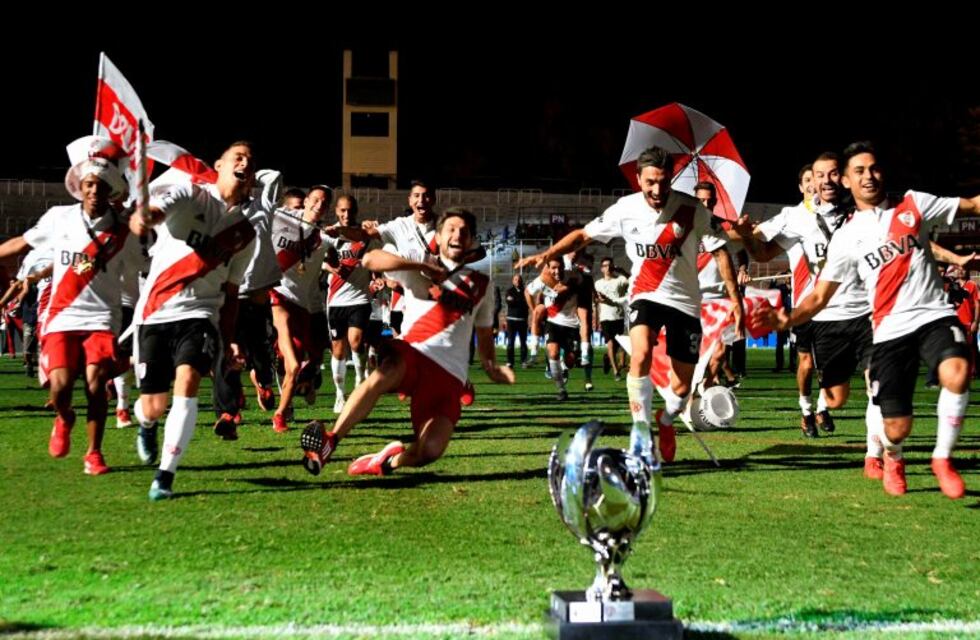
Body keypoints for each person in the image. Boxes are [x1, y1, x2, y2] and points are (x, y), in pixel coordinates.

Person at [762, 141, 978, 499]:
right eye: (859, 171)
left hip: (933, 315)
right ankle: (891, 454)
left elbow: (971, 203)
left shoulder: (913, 204)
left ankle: (942, 458)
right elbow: (818, 296)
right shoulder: (846, 238)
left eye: (873, 168)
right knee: (895, 427)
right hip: (890, 330)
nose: (868, 176)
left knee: (957, 371)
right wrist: (789, 318)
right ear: (847, 181)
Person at [516, 146, 743, 462]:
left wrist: (735, 300)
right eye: (650, 182)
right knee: (641, 352)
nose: (657, 189)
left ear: (671, 180)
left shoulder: (692, 209)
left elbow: (721, 249)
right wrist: (548, 254)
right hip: (645, 294)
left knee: (681, 391)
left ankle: (665, 420)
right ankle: (641, 435)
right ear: (638, 179)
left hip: (686, 302)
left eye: (663, 182)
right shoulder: (625, 208)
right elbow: (584, 235)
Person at [300, 208, 514, 476]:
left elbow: (484, 338)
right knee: (384, 373)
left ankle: (385, 462)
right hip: (414, 353)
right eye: (451, 229)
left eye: (464, 232)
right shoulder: (420, 266)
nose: (457, 235)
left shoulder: (482, 284)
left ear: (471, 241)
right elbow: (370, 259)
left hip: (449, 377)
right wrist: (421, 266)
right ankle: (331, 440)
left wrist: (493, 368)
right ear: (439, 235)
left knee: (429, 451)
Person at [0, 135, 141, 475]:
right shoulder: (58, 218)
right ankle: (64, 417)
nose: (94, 190)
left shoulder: (125, 234)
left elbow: (145, 269)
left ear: (112, 190)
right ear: (80, 186)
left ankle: (94, 453)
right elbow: (22, 243)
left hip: (102, 318)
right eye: (89, 184)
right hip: (62, 316)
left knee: (96, 385)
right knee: (60, 388)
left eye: (101, 185)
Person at [130, 141, 258, 501]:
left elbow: (231, 294)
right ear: (218, 165)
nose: (244, 163)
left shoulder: (246, 234)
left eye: (250, 160)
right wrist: (144, 217)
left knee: (188, 379)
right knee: (153, 405)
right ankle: (146, 424)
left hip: (200, 314)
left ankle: (164, 477)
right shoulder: (188, 194)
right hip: (154, 311)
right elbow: (153, 214)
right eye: (238, 156)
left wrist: (229, 337)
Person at [266, 184, 332, 432]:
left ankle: (282, 410)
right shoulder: (281, 218)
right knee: (293, 364)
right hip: (278, 294)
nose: (319, 204)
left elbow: (346, 241)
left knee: (303, 361)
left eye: (324, 202)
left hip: (303, 304)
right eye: (315, 199)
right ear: (305, 201)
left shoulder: (323, 237)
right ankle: (278, 409)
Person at [323, 193, 377, 414]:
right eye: (342, 210)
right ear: (336, 211)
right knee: (338, 350)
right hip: (335, 300)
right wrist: (330, 268)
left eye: (350, 210)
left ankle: (361, 377)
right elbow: (321, 262)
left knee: (355, 342)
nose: (346, 214)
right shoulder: (328, 235)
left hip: (359, 298)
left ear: (356, 211)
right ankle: (339, 394)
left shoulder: (363, 234)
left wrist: (376, 276)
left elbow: (373, 256)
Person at [593, 256, 628, 380]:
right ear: (602, 269)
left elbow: (632, 280)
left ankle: (608, 358)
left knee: (619, 345)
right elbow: (595, 300)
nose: (608, 267)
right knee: (611, 344)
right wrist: (595, 315)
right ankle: (616, 371)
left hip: (618, 316)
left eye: (610, 265)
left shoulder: (620, 280)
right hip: (605, 317)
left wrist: (622, 270)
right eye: (605, 265)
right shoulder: (598, 284)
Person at [503, 273, 529, 369]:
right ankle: (510, 362)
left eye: (519, 279)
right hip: (511, 321)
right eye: (515, 279)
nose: (517, 281)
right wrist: (520, 301)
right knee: (510, 342)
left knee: (523, 342)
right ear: (512, 281)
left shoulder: (526, 291)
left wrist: (516, 301)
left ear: (521, 281)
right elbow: (510, 302)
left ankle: (523, 361)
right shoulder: (509, 291)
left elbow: (526, 304)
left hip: (522, 320)